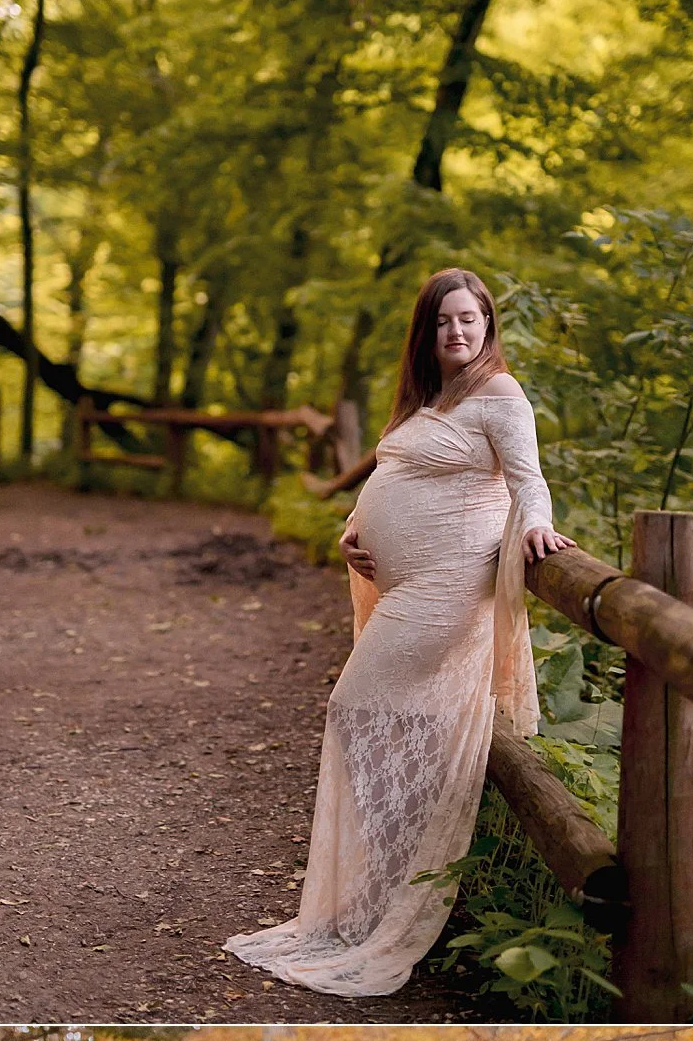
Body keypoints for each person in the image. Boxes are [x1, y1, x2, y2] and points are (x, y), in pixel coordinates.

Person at [224, 268, 577, 997]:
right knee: (375, 723)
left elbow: (527, 479)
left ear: (488, 324)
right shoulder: (429, 398)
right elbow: (395, 481)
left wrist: (537, 526)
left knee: (357, 711)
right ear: (427, 331)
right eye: (444, 320)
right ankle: (374, 889)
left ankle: (392, 896)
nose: (457, 331)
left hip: (447, 587)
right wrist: (354, 534)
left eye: (469, 318)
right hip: (403, 586)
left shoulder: (500, 393)